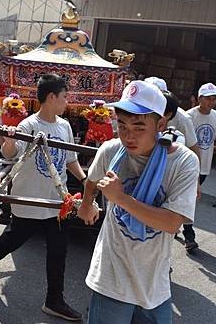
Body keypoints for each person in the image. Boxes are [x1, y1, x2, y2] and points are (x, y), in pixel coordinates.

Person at [77, 80, 198, 324]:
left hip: (154, 282)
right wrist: (86, 203)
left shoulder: (183, 162)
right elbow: (92, 180)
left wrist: (120, 198)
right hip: (111, 278)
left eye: (139, 127)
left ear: (161, 124)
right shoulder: (110, 151)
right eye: (122, 126)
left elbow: (172, 223)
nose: (128, 136)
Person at [0, 74, 86, 322]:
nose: (66, 101)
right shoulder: (28, 125)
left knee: (59, 251)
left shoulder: (64, 126)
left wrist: (84, 180)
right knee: (13, 239)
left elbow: (70, 160)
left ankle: (54, 300)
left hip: (56, 201)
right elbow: (10, 153)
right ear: (51, 97)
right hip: (29, 198)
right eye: (64, 96)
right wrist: (8, 138)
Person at [183, 83, 216, 252]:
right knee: (189, 198)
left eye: (214, 99)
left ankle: (176, 223)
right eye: (208, 98)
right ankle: (188, 235)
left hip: (204, 167)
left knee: (188, 198)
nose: (211, 102)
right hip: (187, 166)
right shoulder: (188, 117)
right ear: (199, 98)